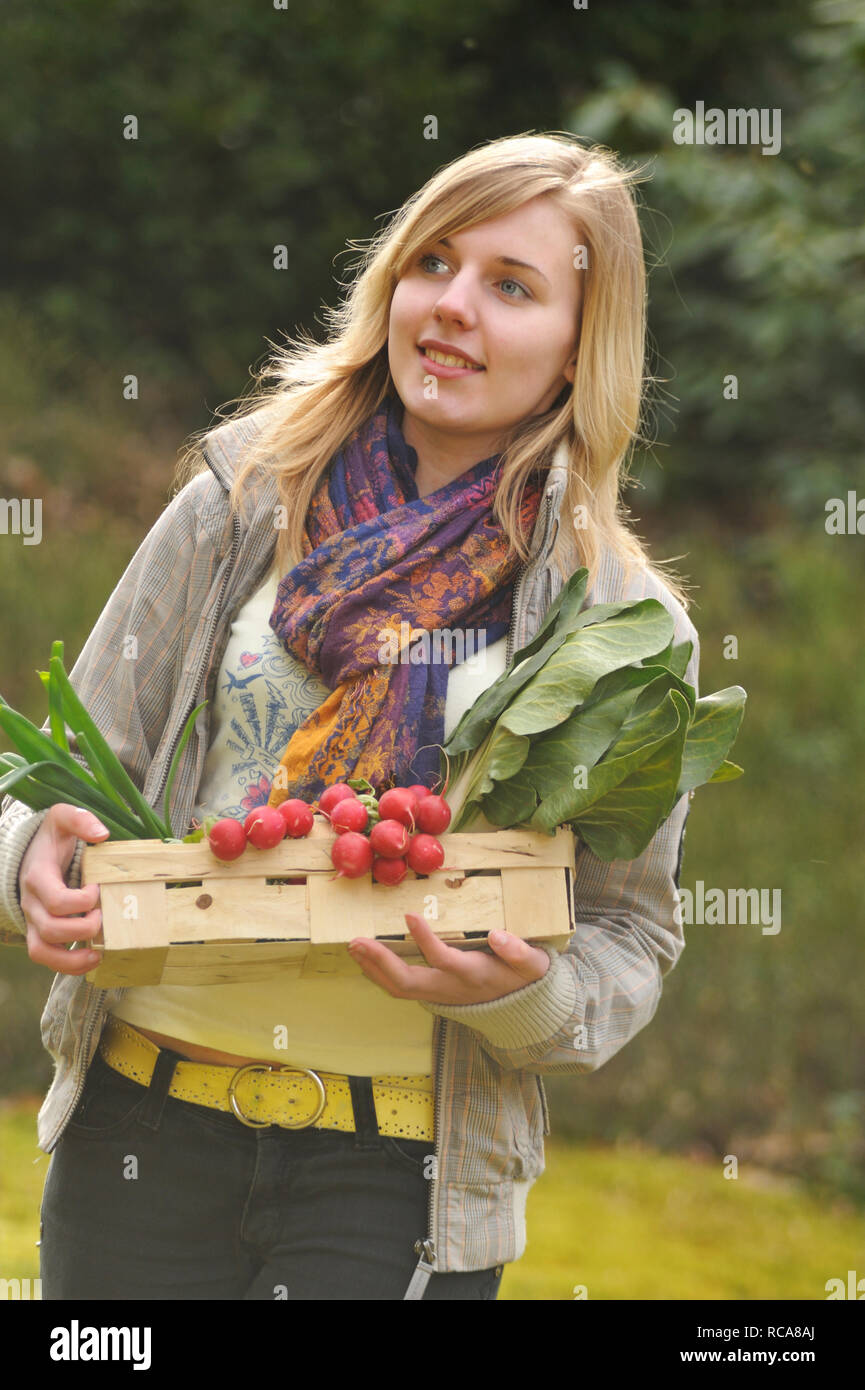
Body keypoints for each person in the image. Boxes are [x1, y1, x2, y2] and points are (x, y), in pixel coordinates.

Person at [0, 131, 700, 1301]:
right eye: (432, 263)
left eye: (511, 286)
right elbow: (65, 768)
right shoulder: (238, 502)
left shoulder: (618, 619)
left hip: (399, 1173)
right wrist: (27, 855)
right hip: (143, 1129)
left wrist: (525, 996)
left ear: (584, 352)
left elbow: (633, 937)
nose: (453, 305)